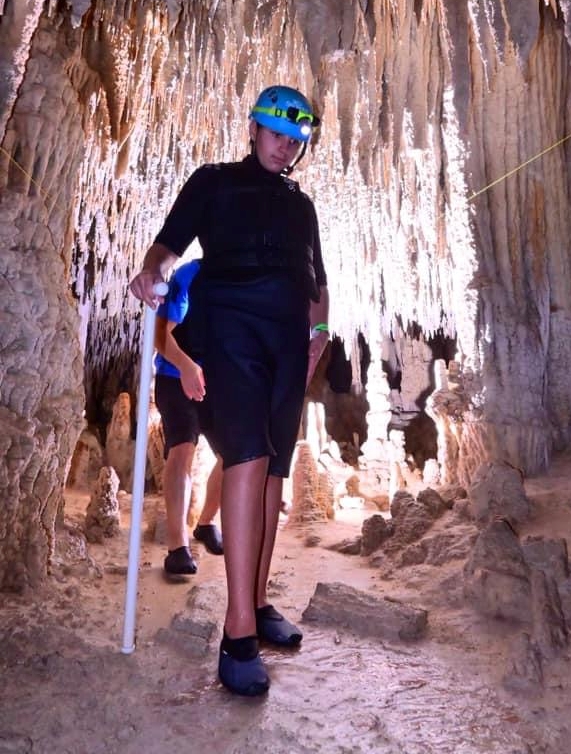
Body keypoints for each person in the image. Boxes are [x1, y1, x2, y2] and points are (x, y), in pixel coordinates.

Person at [130, 85, 329, 696]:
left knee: (272, 468)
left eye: (295, 140)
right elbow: (170, 243)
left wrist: (319, 328)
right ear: (253, 129)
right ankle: (238, 631)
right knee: (244, 455)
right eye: (276, 134)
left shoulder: (302, 206)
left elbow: (317, 277)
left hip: (287, 340)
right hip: (230, 326)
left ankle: (259, 600)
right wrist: (153, 272)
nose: (285, 147)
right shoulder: (214, 182)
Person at [153, 257, 224, 578]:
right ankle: (177, 546)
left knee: (234, 455)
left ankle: (206, 524)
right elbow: (160, 335)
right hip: (175, 375)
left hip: (216, 382)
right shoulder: (190, 275)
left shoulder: (243, 279)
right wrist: (186, 366)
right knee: (182, 448)